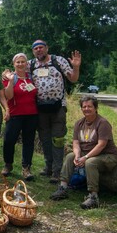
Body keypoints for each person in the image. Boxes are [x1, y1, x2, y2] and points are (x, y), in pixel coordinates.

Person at [50, 95, 117, 209]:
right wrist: (77, 155)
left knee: (90, 162)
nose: (86, 109)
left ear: (96, 108)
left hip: (107, 155)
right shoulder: (79, 123)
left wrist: (85, 157)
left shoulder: (102, 123)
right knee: (69, 157)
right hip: (87, 153)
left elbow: (101, 145)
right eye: (84, 106)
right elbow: (76, 143)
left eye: (89, 106)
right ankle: (63, 188)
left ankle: (93, 197)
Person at [30, 40, 81, 183]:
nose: (39, 50)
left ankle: (57, 172)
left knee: (57, 139)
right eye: (36, 49)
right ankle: (48, 167)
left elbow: (73, 79)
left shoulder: (58, 61)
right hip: (40, 109)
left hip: (58, 108)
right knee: (45, 139)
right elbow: (18, 73)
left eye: (41, 47)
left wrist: (76, 67)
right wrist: (6, 74)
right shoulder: (31, 64)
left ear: (47, 48)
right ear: (33, 51)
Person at [1, 53, 38, 181]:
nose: (21, 64)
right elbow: (9, 96)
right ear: (14, 64)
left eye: (23, 61)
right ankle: (8, 164)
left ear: (26, 63)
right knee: (9, 140)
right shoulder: (9, 78)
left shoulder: (31, 77)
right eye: (18, 62)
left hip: (31, 114)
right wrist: (11, 81)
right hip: (15, 114)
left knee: (28, 142)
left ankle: (26, 168)